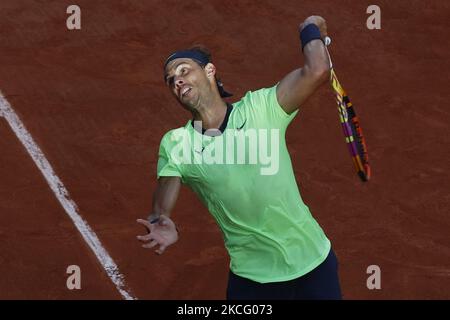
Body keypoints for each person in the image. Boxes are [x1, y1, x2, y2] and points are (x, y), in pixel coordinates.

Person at [136, 15, 342, 300]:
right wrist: (161, 219)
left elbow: (318, 69)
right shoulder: (178, 144)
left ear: (209, 70)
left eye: (184, 70)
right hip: (253, 282)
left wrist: (310, 29)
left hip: (314, 263)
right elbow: (164, 195)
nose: (177, 80)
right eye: (171, 80)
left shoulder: (261, 108)